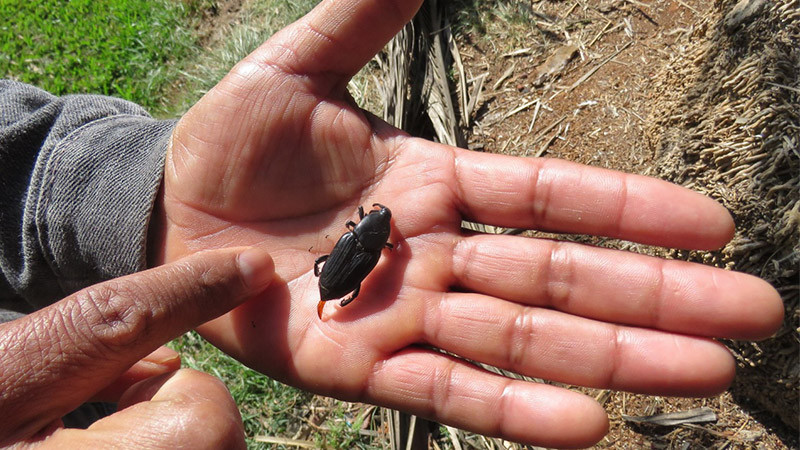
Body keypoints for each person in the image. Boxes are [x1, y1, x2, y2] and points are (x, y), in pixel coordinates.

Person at [0, 0, 784, 447]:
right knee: (346, 270)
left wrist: (117, 195)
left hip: (331, 275)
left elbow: (371, 238)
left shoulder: (371, 236)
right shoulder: (370, 238)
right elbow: (369, 240)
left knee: (346, 269)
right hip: (334, 276)